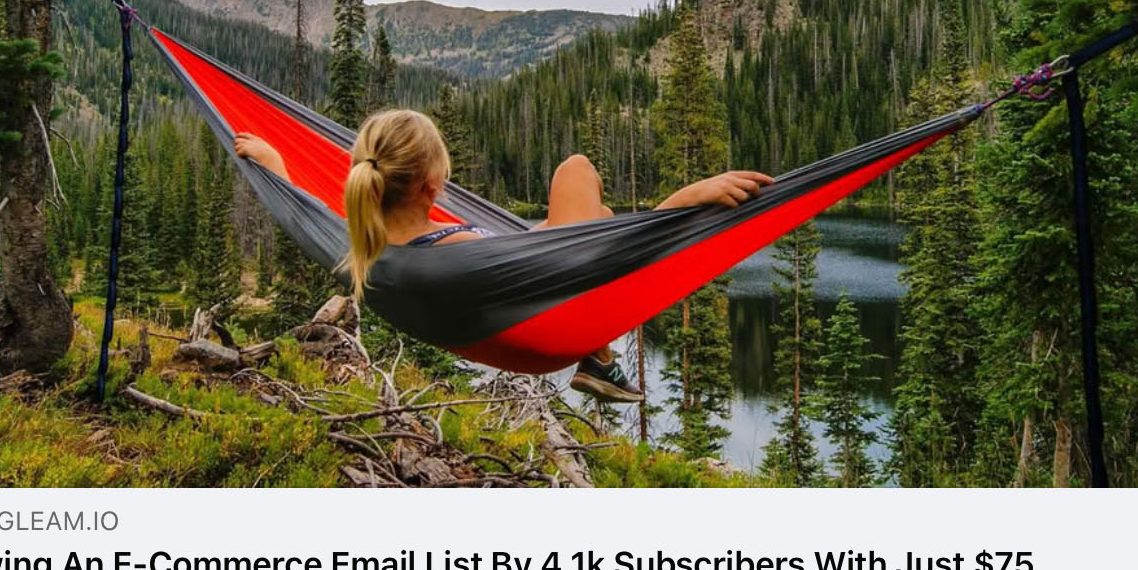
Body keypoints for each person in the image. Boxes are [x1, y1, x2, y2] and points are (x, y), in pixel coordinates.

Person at [234, 109, 772, 403]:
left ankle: (602, 359)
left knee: (599, 215)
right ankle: (599, 357)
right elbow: (596, 266)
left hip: (511, 300)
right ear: (432, 184)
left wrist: (277, 167)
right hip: (546, 329)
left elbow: (309, 213)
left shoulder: (360, 245)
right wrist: (681, 205)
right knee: (576, 170)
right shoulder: (455, 254)